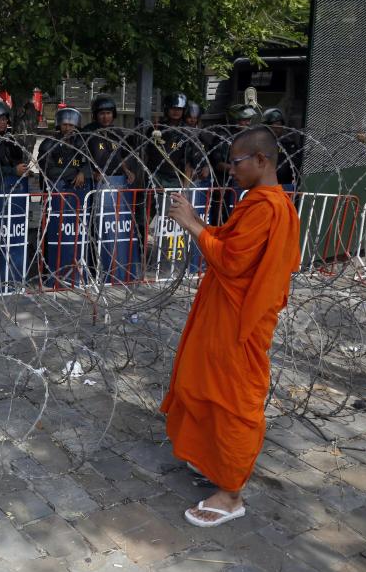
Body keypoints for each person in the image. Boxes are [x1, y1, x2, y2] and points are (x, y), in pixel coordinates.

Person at [162, 126, 300, 527]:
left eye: (237, 162)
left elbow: (233, 261)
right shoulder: (258, 202)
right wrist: (203, 223)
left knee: (233, 402)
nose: (231, 170)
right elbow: (230, 241)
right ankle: (212, 460)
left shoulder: (269, 207)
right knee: (201, 384)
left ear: (262, 160)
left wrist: (192, 224)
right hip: (223, 316)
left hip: (241, 325)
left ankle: (231, 493)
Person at [82, 95, 137, 187]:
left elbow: (121, 157)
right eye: (102, 113)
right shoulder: (88, 132)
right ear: (95, 115)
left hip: (117, 179)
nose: (106, 117)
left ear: (113, 114)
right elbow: (82, 158)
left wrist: (127, 171)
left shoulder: (117, 133)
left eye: (108, 113)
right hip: (95, 181)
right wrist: (93, 174)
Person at [39, 107, 91, 191]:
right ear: (59, 124)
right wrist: (76, 172)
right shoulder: (50, 143)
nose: (67, 128)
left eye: (71, 125)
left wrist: (83, 172)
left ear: (76, 126)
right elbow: (49, 171)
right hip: (54, 189)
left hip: (79, 189)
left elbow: (90, 163)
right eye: (64, 124)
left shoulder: (82, 143)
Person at [262, 107, 305, 190]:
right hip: (264, 186)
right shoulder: (259, 143)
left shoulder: (288, 144)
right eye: (273, 126)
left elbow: (296, 167)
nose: (277, 128)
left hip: (284, 186)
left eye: (279, 124)